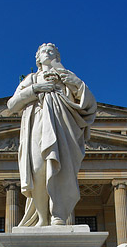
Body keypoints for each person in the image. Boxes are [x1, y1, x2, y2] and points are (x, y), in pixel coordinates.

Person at [7, 43, 97, 226]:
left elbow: (88, 103)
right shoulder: (32, 79)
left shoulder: (67, 77)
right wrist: (36, 89)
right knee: (38, 170)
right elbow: (11, 105)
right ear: (37, 59)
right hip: (37, 124)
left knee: (60, 171)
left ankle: (59, 215)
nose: (48, 53)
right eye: (43, 52)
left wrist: (67, 77)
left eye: (52, 52)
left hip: (63, 127)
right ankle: (41, 217)